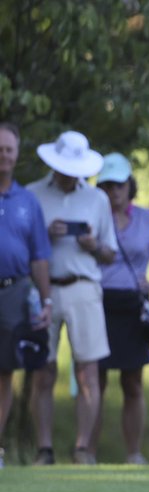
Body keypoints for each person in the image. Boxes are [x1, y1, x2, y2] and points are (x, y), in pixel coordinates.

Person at [28, 130, 116, 466]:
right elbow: (21, 249)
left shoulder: (97, 200)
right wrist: (45, 236)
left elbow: (110, 253)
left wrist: (94, 246)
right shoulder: (33, 194)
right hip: (43, 287)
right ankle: (44, 449)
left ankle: (82, 449)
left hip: (84, 287)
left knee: (88, 371)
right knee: (43, 371)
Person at [91, 153, 149, 464]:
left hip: (132, 303)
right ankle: (87, 451)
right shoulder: (91, 216)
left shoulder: (148, 219)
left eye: (118, 185)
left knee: (132, 382)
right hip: (98, 301)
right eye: (106, 185)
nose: (113, 191)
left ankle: (134, 453)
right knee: (96, 381)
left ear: (130, 185)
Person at [0, 122, 53, 468]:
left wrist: (46, 301)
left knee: (4, 371)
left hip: (13, 293)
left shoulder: (27, 202)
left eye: (8, 149)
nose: (3, 155)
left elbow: (39, 257)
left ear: (17, 155)